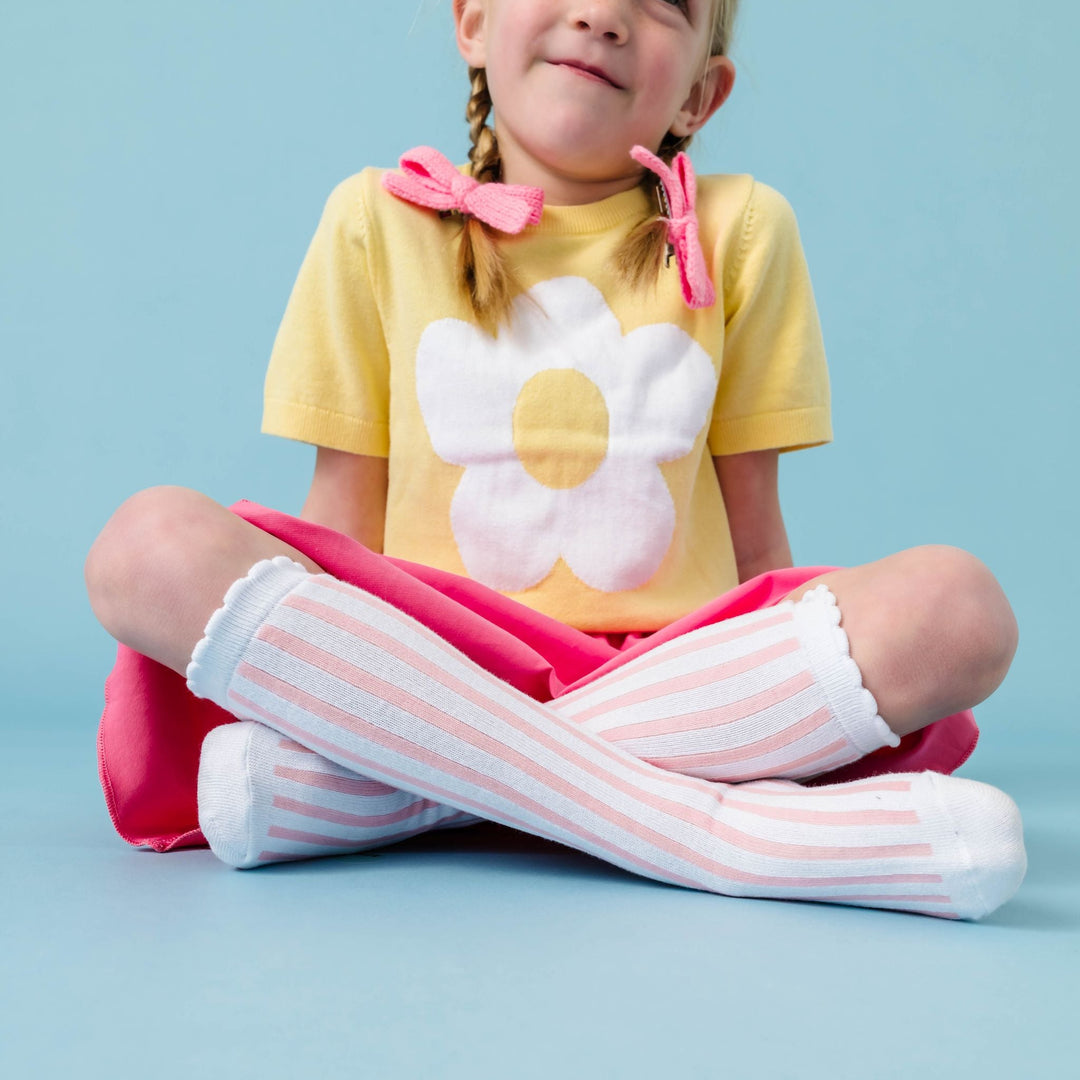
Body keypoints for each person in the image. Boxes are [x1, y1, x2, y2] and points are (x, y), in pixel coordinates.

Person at [84, 0, 1027, 920]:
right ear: (472, 23)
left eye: (663, 3)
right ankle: (709, 833)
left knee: (958, 609)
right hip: (414, 662)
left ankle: (396, 793)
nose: (603, 13)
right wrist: (321, 685)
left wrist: (776, 699)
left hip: (681, 683)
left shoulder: (743, 227)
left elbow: (756, 538)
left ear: (701, 95)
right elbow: (341, 528)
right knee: (146, 545)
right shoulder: (375, 218)